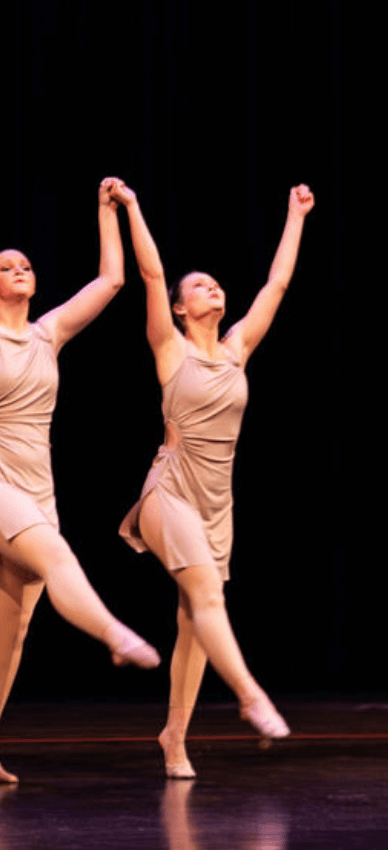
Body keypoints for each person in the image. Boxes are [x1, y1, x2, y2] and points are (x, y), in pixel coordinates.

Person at [0, 180, 161, 785]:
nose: (19, 271)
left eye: (26, 265)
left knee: (12, 630)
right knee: (56, 556)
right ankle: (113, 632)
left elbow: (111, 280)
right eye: (6, 267)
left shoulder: (49, 333)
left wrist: (108, 210)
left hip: (36, 485)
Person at [112, 178, 315, 778]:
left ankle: (174, 737)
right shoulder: (169, 348)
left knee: (194, 625)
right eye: (199, 285)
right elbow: (151, 275)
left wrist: (296, 215)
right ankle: (251, 695)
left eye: (217, 283)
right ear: (180, 308)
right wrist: (133, 207)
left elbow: (277, 284)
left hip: (216, 501)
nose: (214, 288)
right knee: (208, 598)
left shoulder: (236, 348)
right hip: (170, 488)